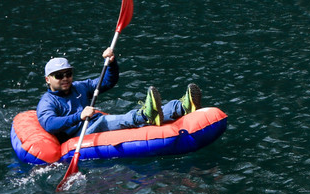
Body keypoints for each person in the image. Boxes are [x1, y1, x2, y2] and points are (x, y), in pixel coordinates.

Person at [36, 47, 202, 142]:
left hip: (93, 122)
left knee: (115, 118)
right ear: (48, 80)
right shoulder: (48, 101)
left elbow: (107, 82)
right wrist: (79, 116)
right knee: (111, 119)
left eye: (68, 74)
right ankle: (145, 114)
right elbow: (49, 124)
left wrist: (112, 64)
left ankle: (180, 107)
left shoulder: (79, 87)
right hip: (79, 134)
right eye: (59, 75)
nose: (65, 78)